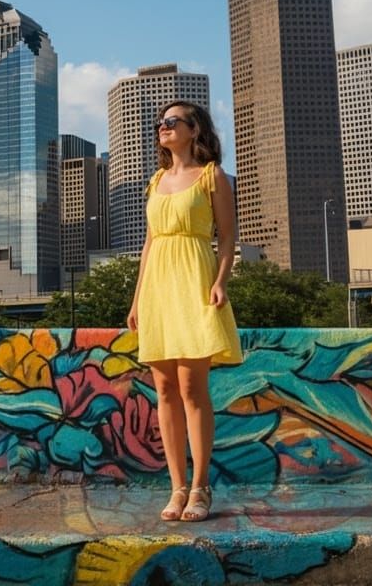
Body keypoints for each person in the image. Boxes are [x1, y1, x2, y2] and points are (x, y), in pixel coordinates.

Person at [127, 100, 243, 522]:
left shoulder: (212, 177)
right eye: (160, 122)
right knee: (164, 390)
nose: (163, 127)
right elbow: (150, 243)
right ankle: (176, 488)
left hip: (194, 282)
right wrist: (138, 299)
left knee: (193, 389)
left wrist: (220, 282)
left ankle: (200, 487)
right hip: (159, 288)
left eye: (172, 122)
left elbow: (228, 237)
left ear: (195, 130)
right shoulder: (157, 179)